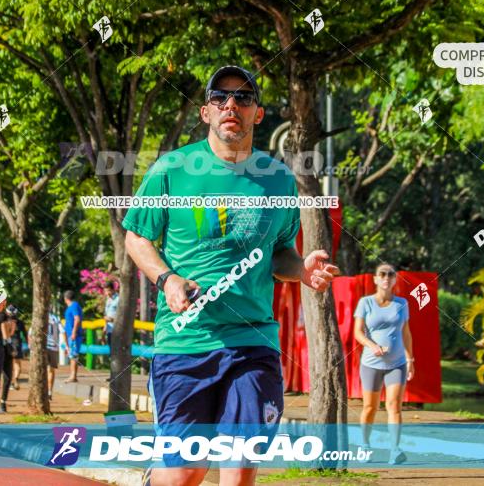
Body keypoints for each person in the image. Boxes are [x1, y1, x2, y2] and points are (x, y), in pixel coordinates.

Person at [122, 65, 339, 486]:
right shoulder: (172, 170)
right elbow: (136, 238)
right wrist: (167, 279)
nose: (231, 106)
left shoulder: (277, 180)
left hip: (252, 342)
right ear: (205, 112)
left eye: (242, 98)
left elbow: (280, 254)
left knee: (238, 472)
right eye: (220, 98)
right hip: (186, 341)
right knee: (187, 472)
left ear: (258, 114)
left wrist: (303, 271)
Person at [353, 262, 415, 465]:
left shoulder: (402, 304)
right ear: (375, 279)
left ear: (395, 279)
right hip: (371, 363)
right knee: (370, 407)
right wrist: (372, 346)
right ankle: (364, 445)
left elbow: (406, 333)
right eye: (382, 274)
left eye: (390, 274)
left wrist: (410, 359)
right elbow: (358, 332)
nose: (386, 277)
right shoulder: (365, 303)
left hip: (397, 364)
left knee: (394, 406)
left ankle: (395, 450)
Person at [63, 290, 83, 383]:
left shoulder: (74, 306)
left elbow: (77, 319)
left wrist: (74, 332)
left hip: (73, 335)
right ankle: (72, 375)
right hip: (70, 334)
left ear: (65, 298)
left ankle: (73, 376)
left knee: (73, 355)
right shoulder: (72, 306)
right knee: (72, 355)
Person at [7, 305, 26, 391]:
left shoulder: (5, 321)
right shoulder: (20, 322)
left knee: (11, 364)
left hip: (9, 345)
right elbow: (25, 335)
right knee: (17, 364)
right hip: (17, 344)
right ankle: (15, 381)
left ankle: (12, 382)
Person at [103, 281, 119, 348]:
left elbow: (123, 316)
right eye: (105, 291)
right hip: (109, 330)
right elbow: (107, 316)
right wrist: (104, 330)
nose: (107, 293)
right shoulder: (108, 300)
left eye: (109, 291)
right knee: (112, 353)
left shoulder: (118, 299)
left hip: (117, 330)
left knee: (117, 352)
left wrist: (112, 319)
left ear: (113, 289)